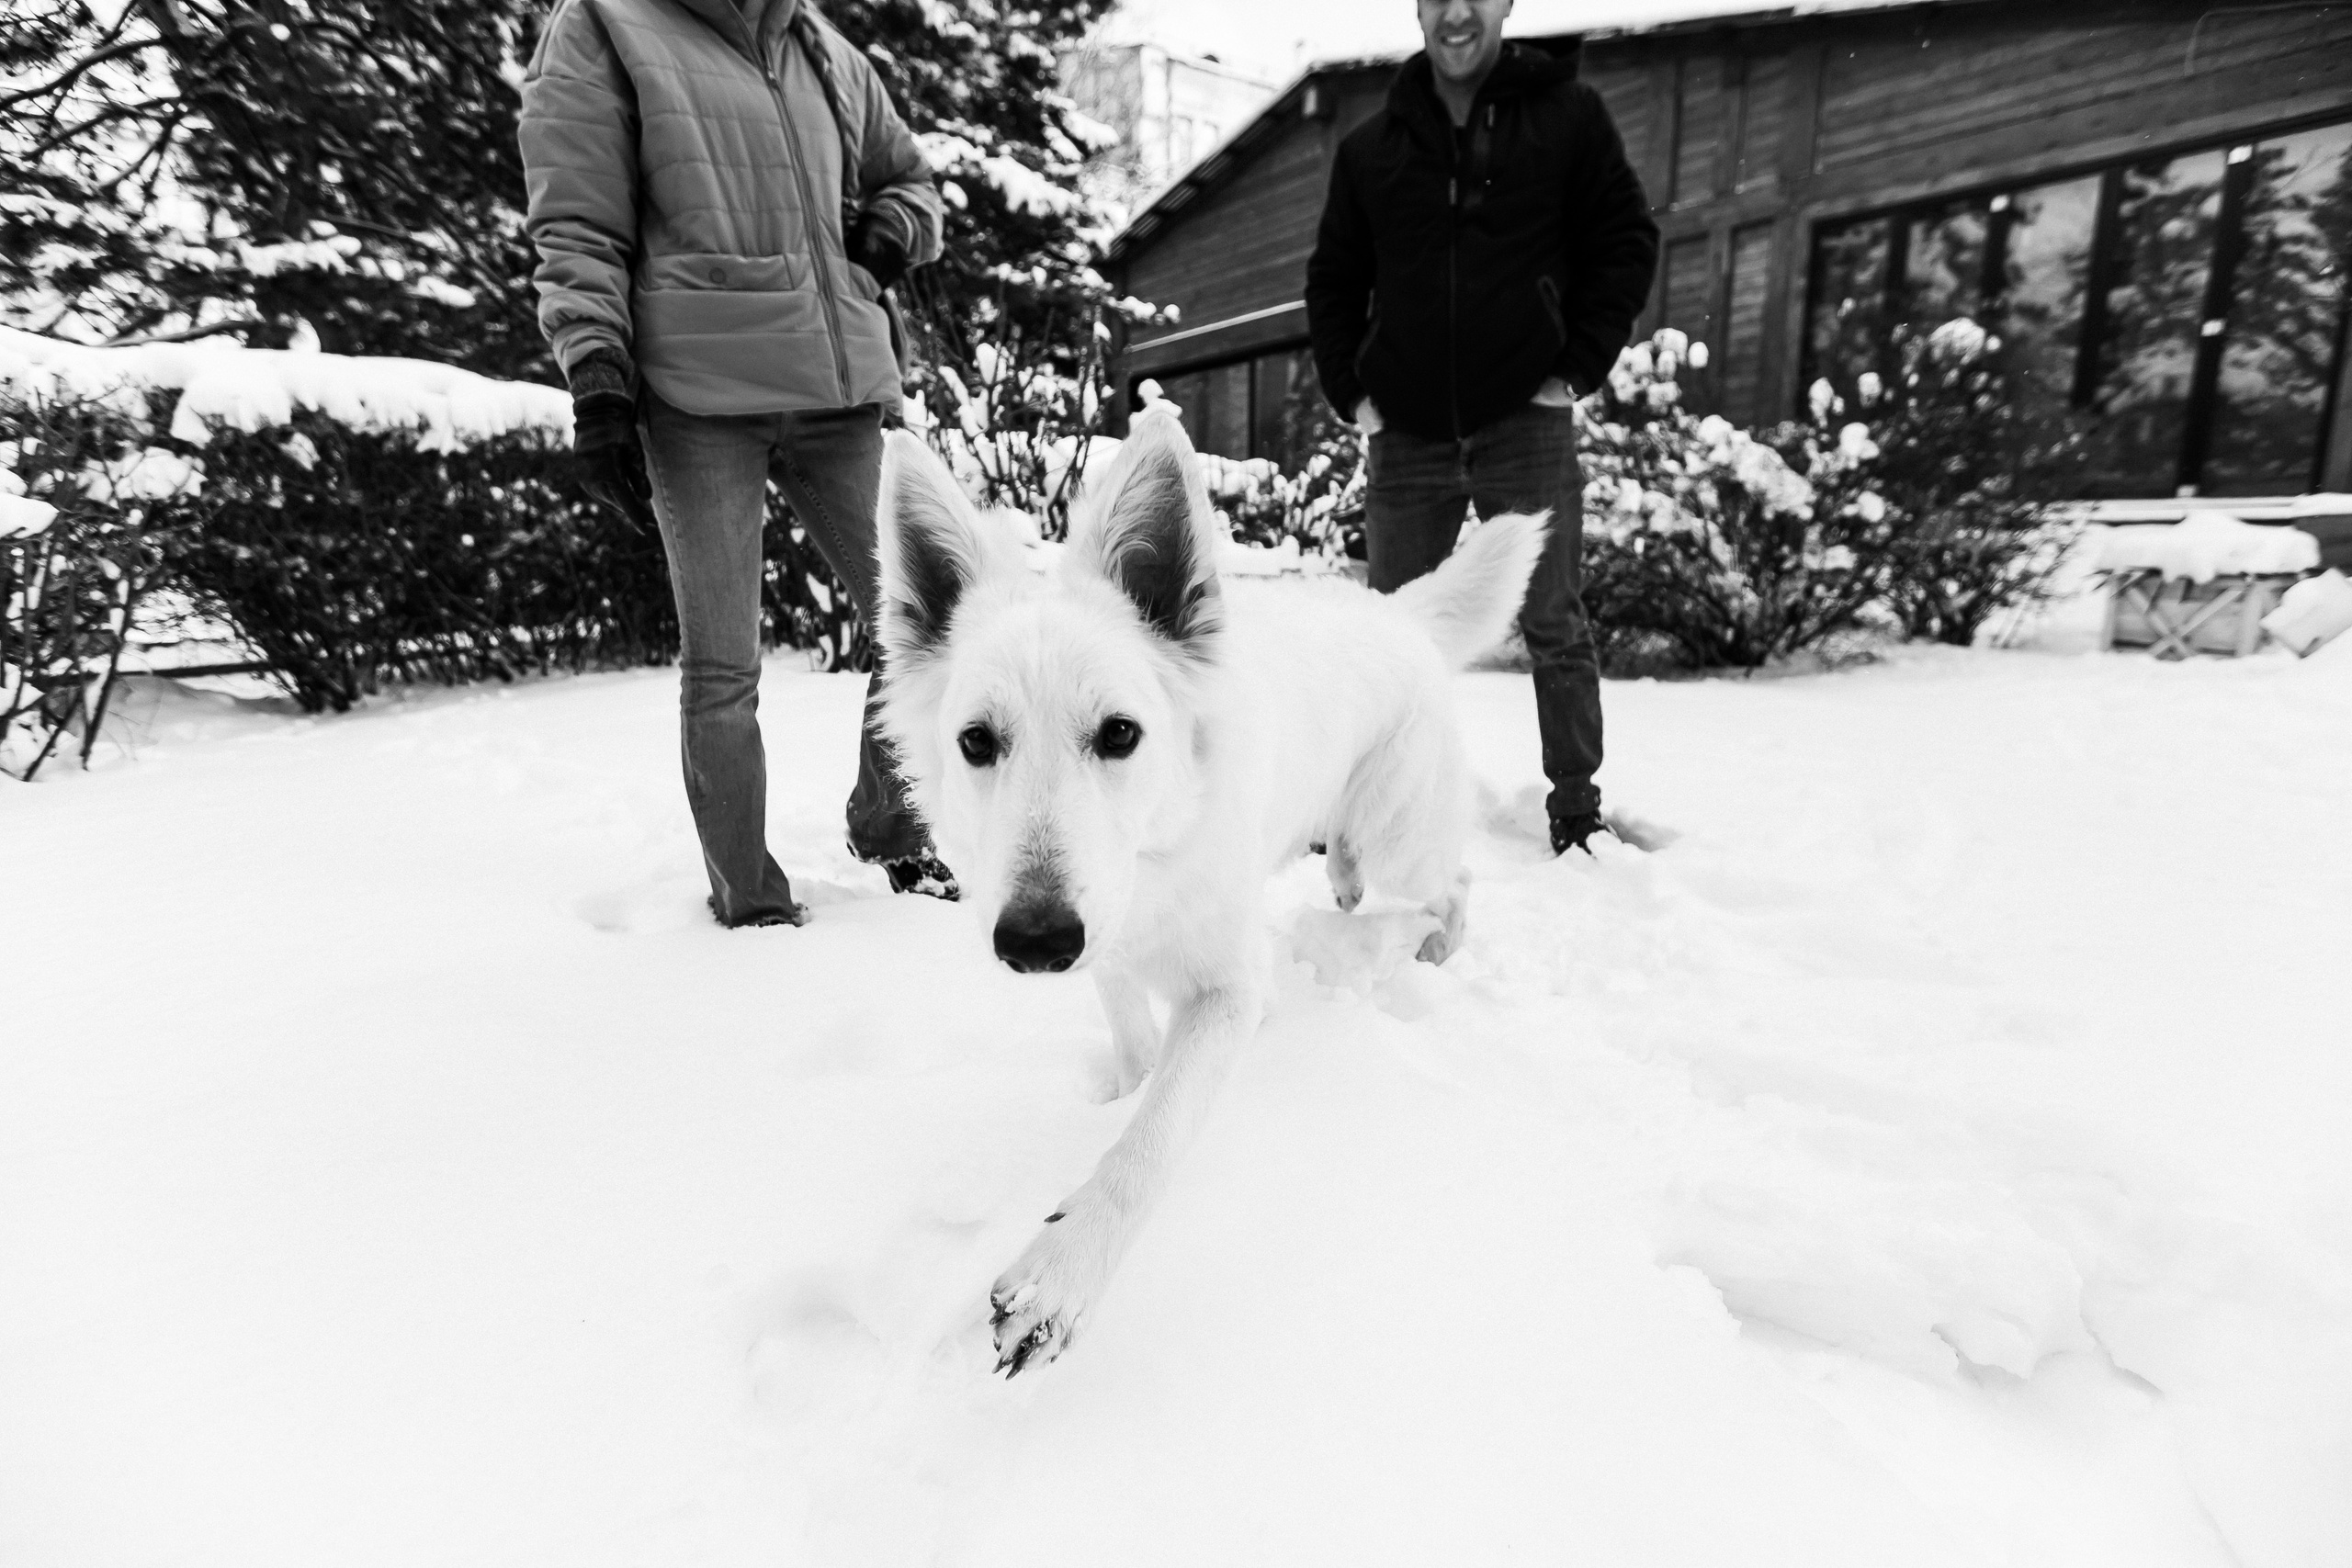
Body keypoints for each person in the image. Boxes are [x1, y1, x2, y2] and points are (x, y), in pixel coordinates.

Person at [518, 0, 954, 926]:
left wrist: (886, 234)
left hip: (837, 388)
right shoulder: (606, 24)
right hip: (697, 392)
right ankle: (749, 904)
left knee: (929, 625)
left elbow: (912, 183)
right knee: (724, 666)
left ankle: (891, 824)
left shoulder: (820, 45)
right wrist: (596, 372)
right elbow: (580, 221)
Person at [1305, 0, 1658, 854]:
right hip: (1409, 435)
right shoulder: (1372, 149)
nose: (1456, 12)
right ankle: (1365, 811)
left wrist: (1573, 367)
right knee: (1391, 637)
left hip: (1522, 422)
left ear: (1504, 5)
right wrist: (1352, 390)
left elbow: (1627, 239)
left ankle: (1576, 807)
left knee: (1553, 620)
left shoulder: (1567, 118)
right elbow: (1333, 279)